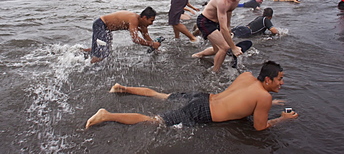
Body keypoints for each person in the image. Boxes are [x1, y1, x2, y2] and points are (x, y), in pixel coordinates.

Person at [85, 61, 299, 131]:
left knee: (163, 95)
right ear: (268, 80)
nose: (282, 82)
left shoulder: (246, 76)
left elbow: (242, 100)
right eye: (280, 79)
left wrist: (269, 101)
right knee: (155, 121)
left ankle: (122, 88)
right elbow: (260, 127)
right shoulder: (264, 98)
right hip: (202, 111)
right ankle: (107, 115)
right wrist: (282, 118)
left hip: (204, 98)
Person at [191, 0, 249, 72]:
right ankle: (214, 73)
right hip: (205, 21)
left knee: (216, 50)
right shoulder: (223, 1)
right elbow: (223, 28)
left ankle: (198, 55)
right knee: (224, 48)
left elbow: (229, 12)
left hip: (216, 22)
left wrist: (229, 28)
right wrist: (234, 47)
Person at [83, 7, 161, 63]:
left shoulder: (143, 26)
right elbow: (135, 39)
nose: (152, 23)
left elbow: (147, 37)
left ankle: (80, 51)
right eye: (151, 21)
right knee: (102, 55)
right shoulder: (134, 19)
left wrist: (156, 48)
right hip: (100, 25)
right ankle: (86, 66)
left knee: (105, 50)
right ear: (144, 18)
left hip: (106, 29)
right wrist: (152, 44)